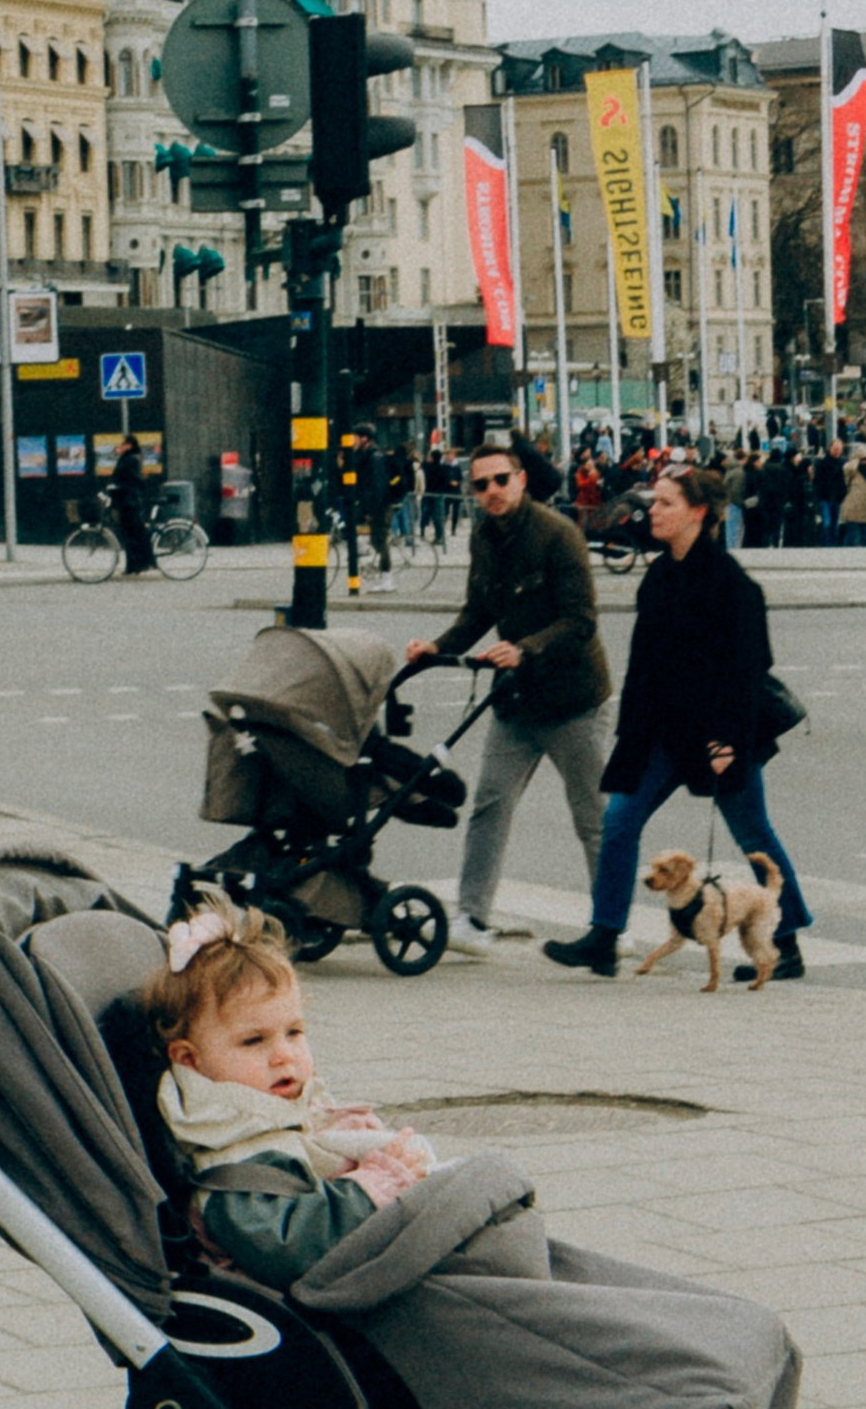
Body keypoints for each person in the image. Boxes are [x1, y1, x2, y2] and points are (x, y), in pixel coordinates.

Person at [546, 461, 813, 983]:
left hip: (718, 735)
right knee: (620, 820)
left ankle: (785, 942)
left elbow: (747, 670)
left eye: (666, 503)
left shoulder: (732, 584)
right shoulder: (660, 575)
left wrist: (730, 739)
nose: (654, 511)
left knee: (752, 831)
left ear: (698, 512)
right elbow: (645, 666)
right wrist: (632, 735)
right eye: (654, 501)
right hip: (661, 732)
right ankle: (604, 936)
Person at [143, 905, 434, 1286]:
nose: (284, 1054)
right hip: (317, 1305)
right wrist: (365, 1191)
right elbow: (283, 1245)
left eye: (294, 1032)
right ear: (190, 1061)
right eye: (253, 1040)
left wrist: (335, 1141)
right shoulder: (234, 1158)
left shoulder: (269, 1116)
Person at [403, 434, 612, 954]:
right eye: (481, 485)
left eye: (501, 480)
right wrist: (435, 648)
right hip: (516, 702)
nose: (492, 491)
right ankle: (471, 920)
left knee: (593, 818)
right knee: (490, 805)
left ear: (521, 481)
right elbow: (479, 610)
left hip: (573, 701)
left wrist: (525, 649)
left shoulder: (558, 535)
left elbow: (581, 621)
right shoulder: (483, 537)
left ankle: (613, 923)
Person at [110, 431, 156, 574]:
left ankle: (141, 563)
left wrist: (119, 486)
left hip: (129, 501)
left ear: (129, 446)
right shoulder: (128, 458)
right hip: (127, 500)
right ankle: (135, 565)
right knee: (131, 534)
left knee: (133, 534)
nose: (120, 447)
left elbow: (132, 478)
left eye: (123, 444)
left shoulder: (130, 459)